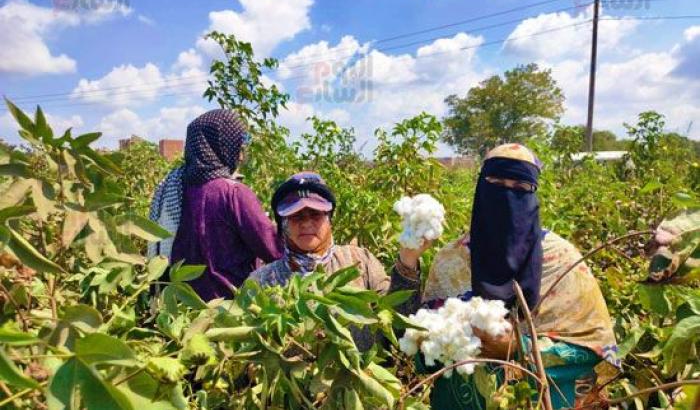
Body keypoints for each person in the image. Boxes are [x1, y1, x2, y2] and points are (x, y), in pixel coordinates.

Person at [420, 143, 619, 409]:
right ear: (481, 189)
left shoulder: (561, 259)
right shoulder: (450, 260)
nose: (507, 196)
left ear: (534, 194)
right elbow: (421, 346)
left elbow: (594, 347)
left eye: (520, 188)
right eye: (496, 183)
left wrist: (519, 347)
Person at [249, 171, 428, 350]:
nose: (306, 223)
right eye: (296, 216)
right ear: (283, 224)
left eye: (316, 214)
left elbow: (397, 328)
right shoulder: (262, 281)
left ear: (329, 219)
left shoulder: (359, 262)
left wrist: (407, 262)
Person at [150, 109, 283, 301]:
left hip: (180, 310)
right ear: (223, 146)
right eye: (240, 142)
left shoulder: (175, 186)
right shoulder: (233, 193)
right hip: (228, 310)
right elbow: (273, 250)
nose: (241, 155)